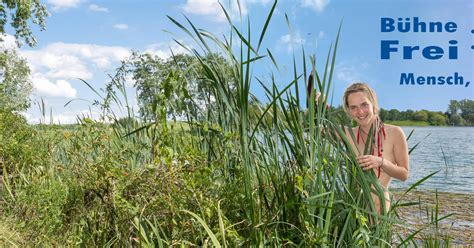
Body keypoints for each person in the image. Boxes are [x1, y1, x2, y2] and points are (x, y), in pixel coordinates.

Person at [342, 82, 409, 214]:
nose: (360, 112)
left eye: (364, 104)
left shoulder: (394, 133)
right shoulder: (348, 134)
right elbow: (315, 128)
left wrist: (381, 162)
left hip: (379, 212)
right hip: (352, 211)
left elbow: (404, 174)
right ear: (349, 111)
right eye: (353, 107)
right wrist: (316, 104)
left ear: (373, 103)